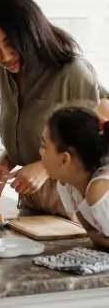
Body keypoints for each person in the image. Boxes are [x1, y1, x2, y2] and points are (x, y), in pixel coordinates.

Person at [0, 0, 107, 218]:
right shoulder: (5, 71)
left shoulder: (72, 72)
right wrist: (5, 162)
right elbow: (27, 134)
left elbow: (95, 146)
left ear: (30, 32)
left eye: (11, 44)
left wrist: (45, 169)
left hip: (73, 211)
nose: (5, 57)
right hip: (32, 205)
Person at [40, 106, 109, 248]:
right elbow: (92, 232)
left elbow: (96, 236)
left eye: (44, 146)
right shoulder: (67, 185)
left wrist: (99, 239)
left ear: (65, 160)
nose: (40, 152)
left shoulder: (99, 191)